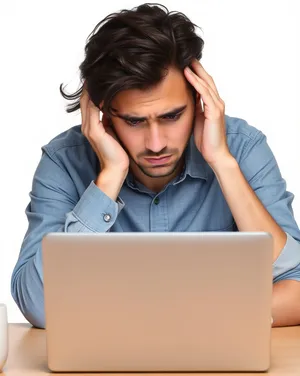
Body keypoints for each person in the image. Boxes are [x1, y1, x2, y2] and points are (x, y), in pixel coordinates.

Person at [11, 3, 300, 329]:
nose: (156, 143)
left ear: (199, 101)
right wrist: (110, 177)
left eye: (172, 116)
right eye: (135, 121)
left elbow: (296, 285)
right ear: (103, 114)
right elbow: (38, 305)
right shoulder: (64, 161)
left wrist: (222, 163)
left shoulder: (242, 148)